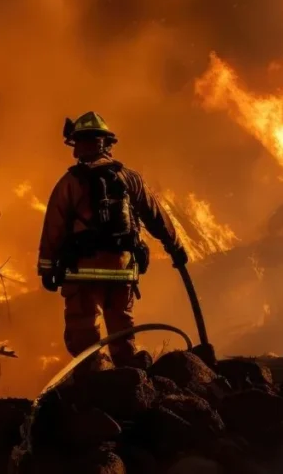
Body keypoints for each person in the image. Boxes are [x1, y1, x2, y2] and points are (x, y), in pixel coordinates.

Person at [37, 111, 189, 371]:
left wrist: (47, 268)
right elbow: (157, 217)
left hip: (83, 273)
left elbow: (54, 227)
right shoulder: (130, 179)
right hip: (123, 271)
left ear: (79, 145)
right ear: (107, 143)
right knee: (122, 327)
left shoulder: (70, 183)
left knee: (84, 330)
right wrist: (175, 248)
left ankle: (95, 380)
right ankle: (130, 379)